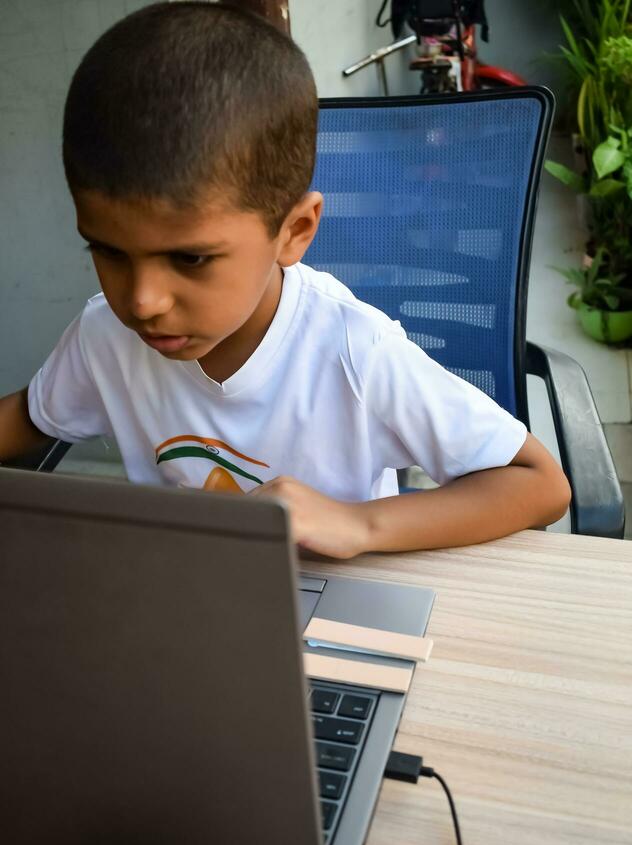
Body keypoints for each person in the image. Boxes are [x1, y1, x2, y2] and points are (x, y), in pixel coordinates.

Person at [0, 1, 570, 559]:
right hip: (179, 591)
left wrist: (360, 524)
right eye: (108, 252)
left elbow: (539, 484)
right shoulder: (106, 335)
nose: (143, 301)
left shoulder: (354, 351)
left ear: (294, 232)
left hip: (334, 603)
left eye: (191, 259)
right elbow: (30, 417)